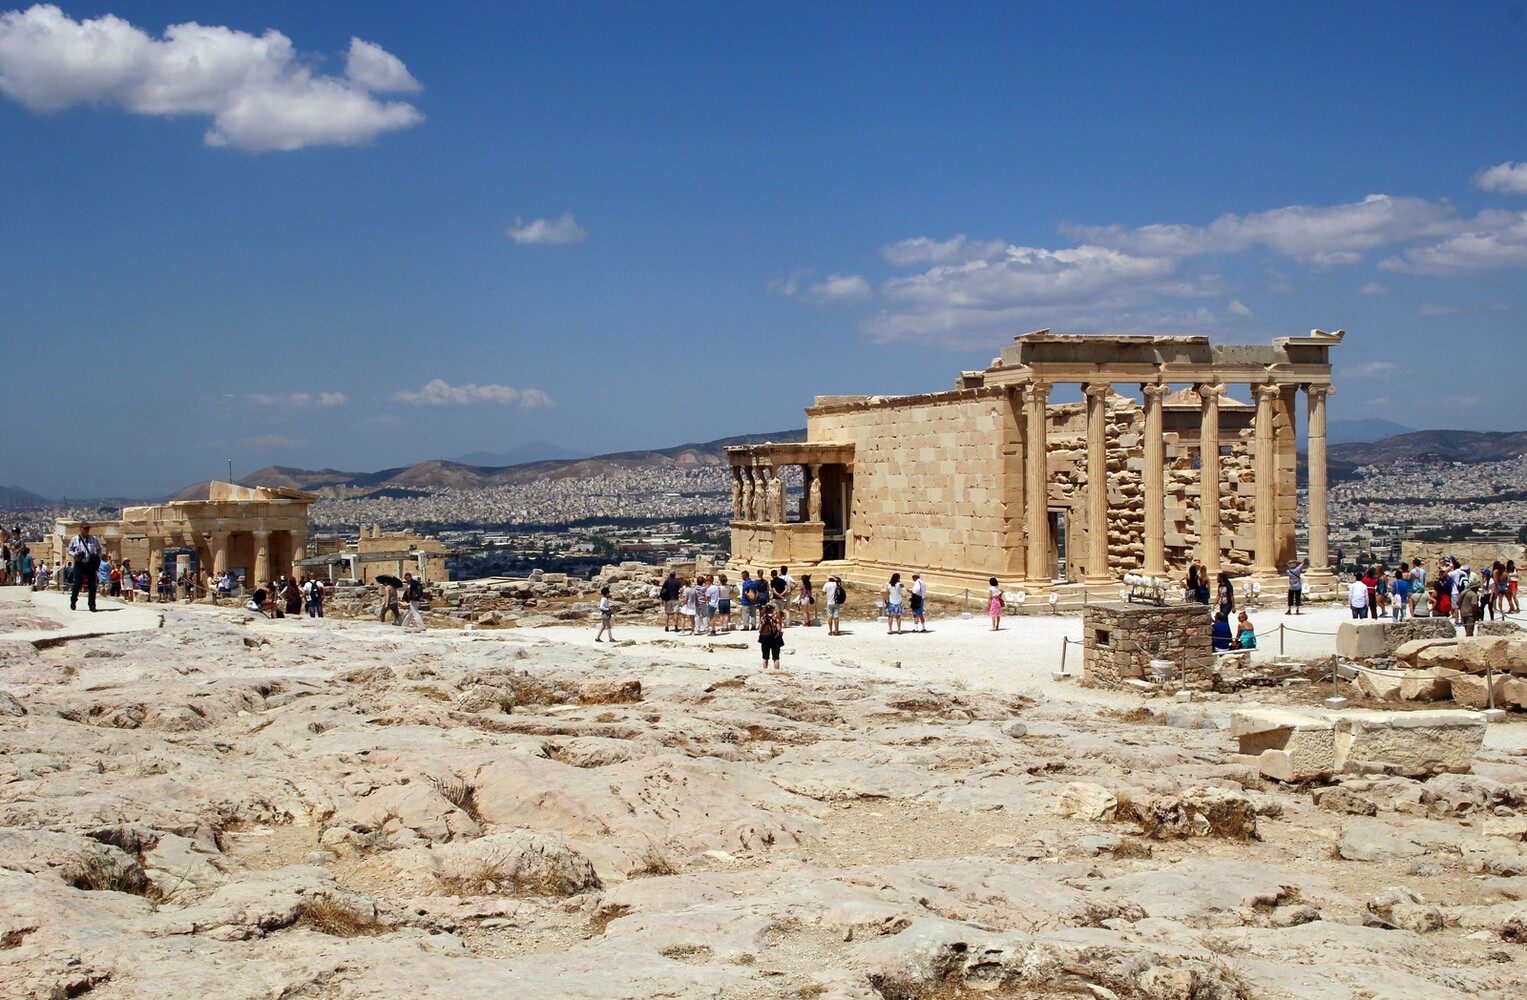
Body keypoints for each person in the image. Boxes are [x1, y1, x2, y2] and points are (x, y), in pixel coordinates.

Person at [66, 522, 104, 612]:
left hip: (89, 564)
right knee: (78, 583)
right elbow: (69, 550)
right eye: (85, 528)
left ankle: (92, 605)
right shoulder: (75, 539)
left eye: (88, 528)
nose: (87, 530)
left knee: (92, 585)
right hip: (80, 564)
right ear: (81, 529)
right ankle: (73, 600)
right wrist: (74, 555)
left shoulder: (93, 539)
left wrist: (97, 557)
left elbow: (99, 549)